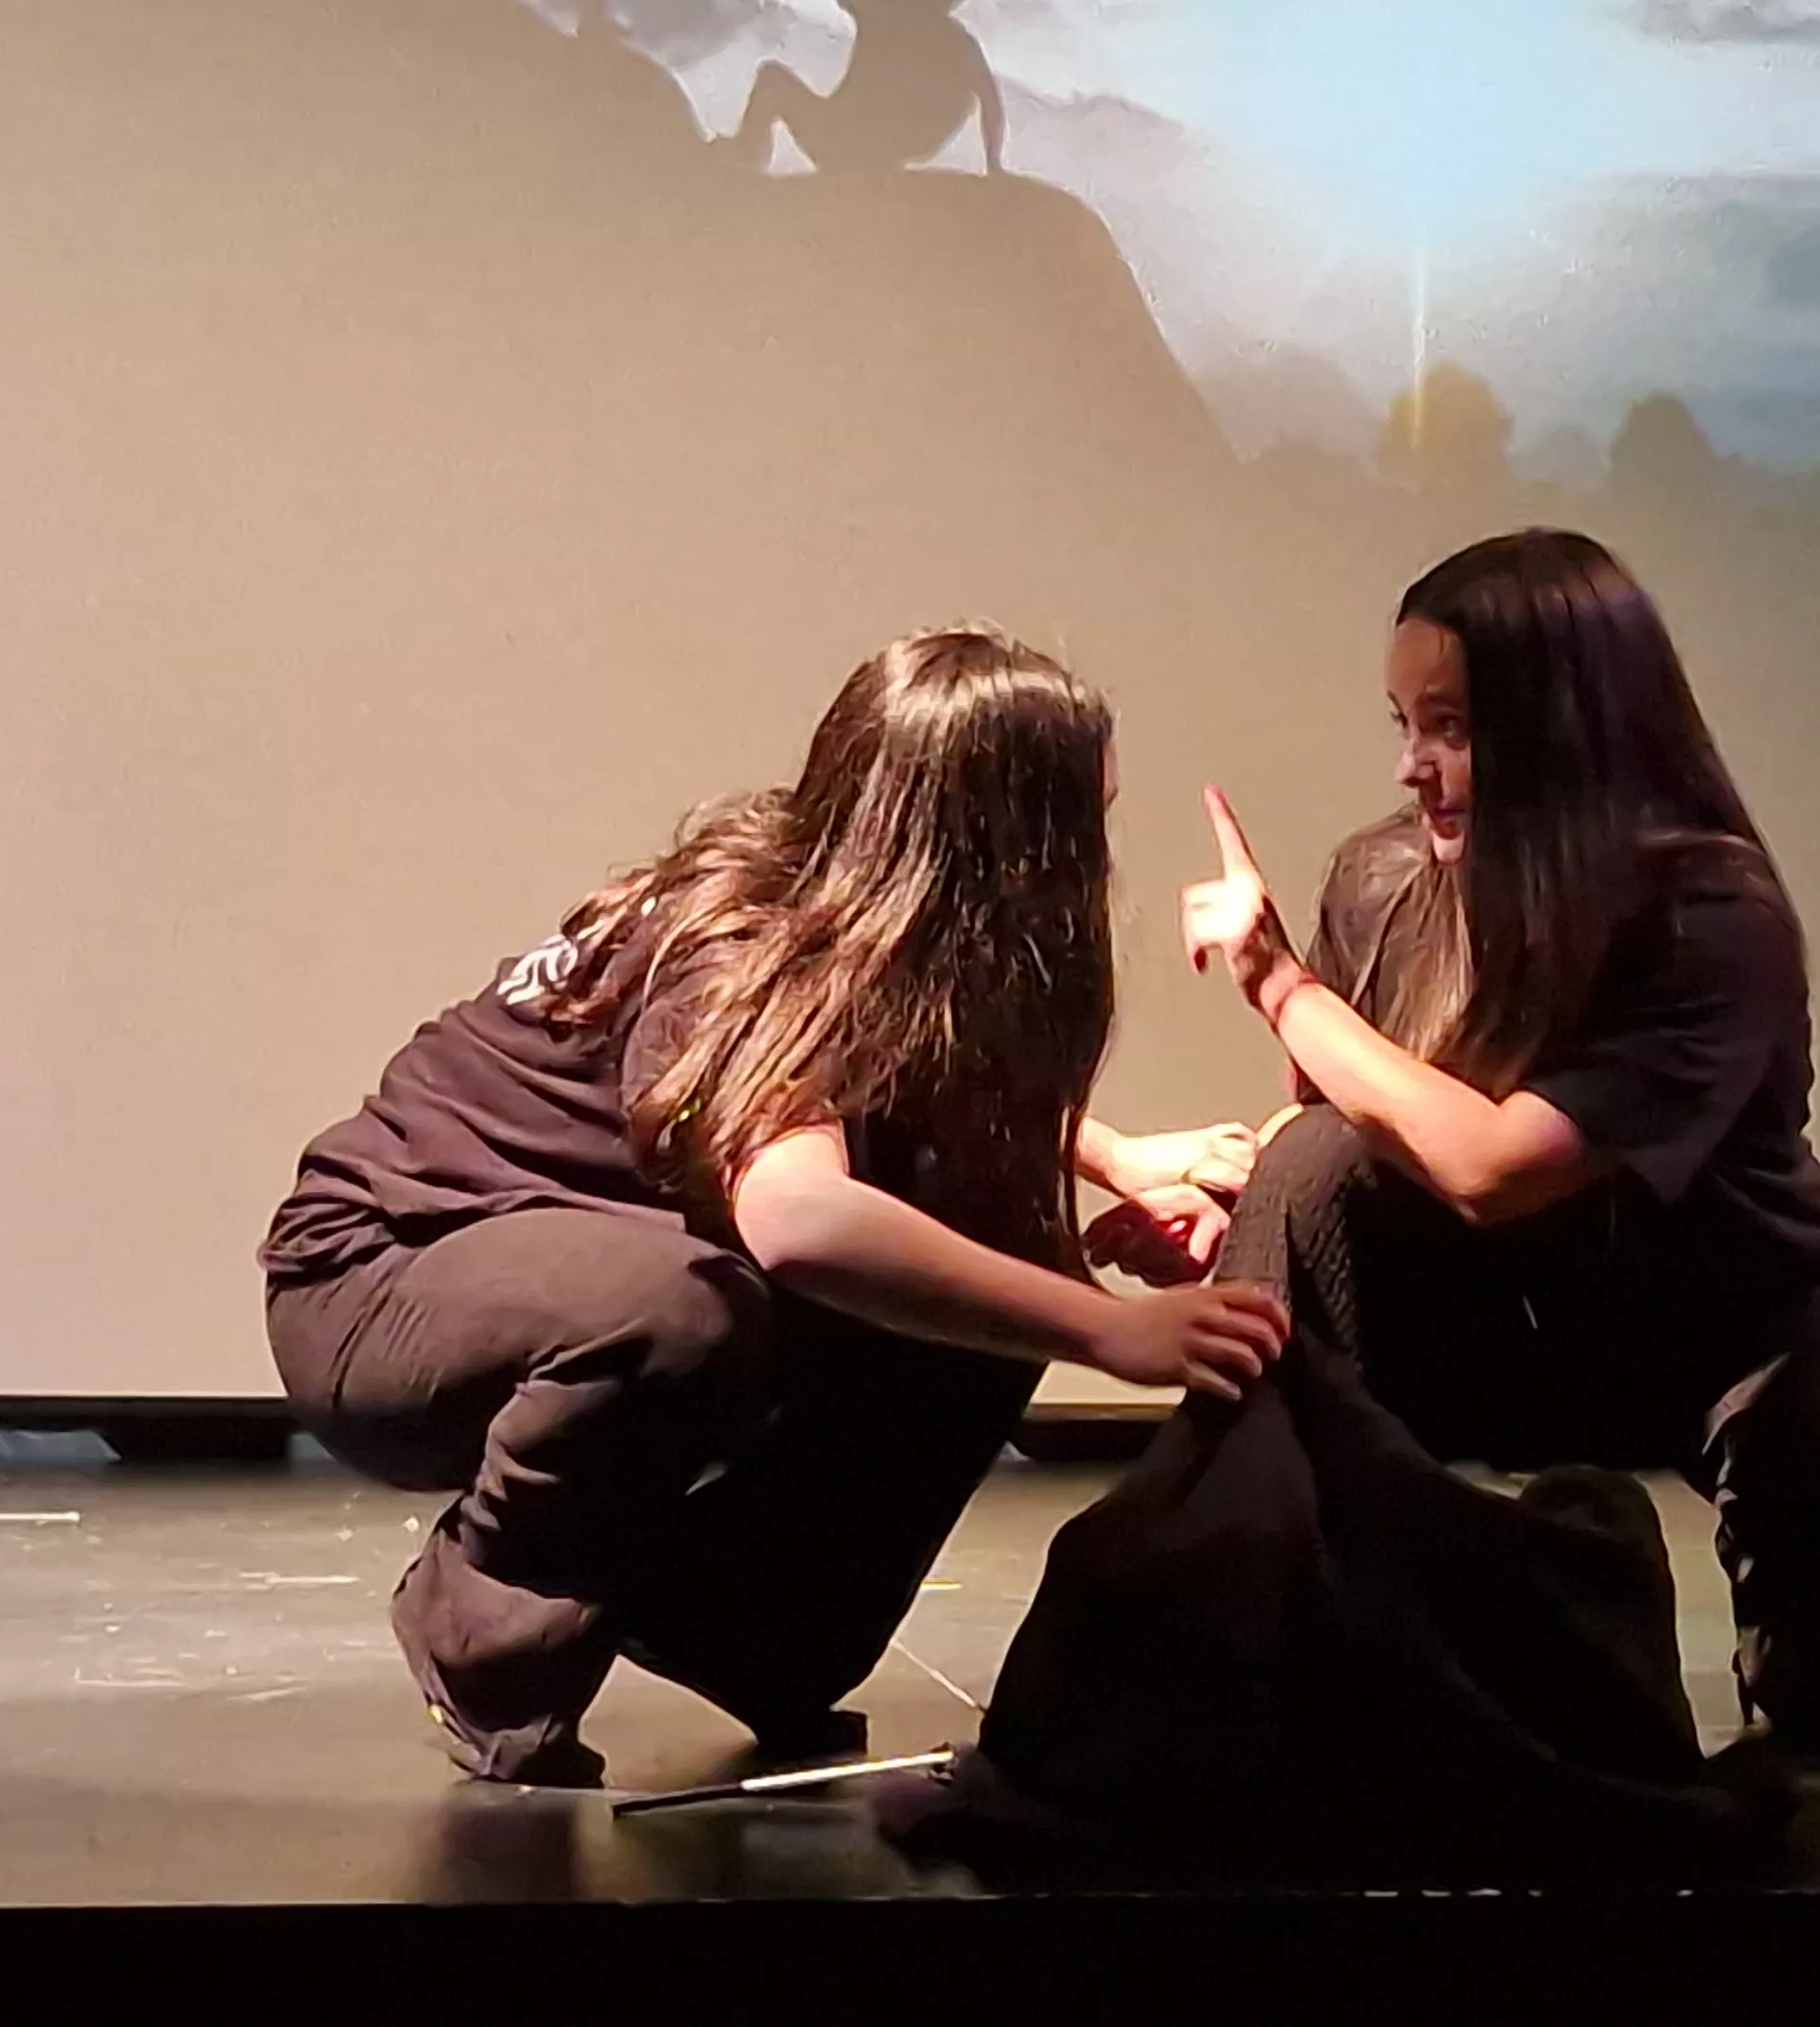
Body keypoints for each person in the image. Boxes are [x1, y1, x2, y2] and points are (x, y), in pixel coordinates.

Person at [260, 628, 1287, 1786]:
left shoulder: (854, 921)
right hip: (382, 1275)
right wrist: (1102, 1328)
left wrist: (1111, 1161)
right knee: (684, 1309)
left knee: (988, 1265)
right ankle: (485, 1621)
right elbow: (799, 1215)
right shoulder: (743, 938)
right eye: (1080, 823)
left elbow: (885, 1084)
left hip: (556, 1259)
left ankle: (746, 1628)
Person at [1173, 529, 1820, 1759]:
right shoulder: (1382, 879)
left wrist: (1277, 979)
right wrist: (1218, 1200)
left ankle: (1804, 1651)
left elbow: (1495, 1164)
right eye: (1401, 722)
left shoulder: (1706, 911)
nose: (1413, 767)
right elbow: (1344, 1119)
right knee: (1304, 1170)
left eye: (1449, 726)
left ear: (1562, 720)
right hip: (1492, 1312)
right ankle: (1250, 1640)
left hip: (1709, 1309)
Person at [727, 0, 1008, 178]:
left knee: (772, 80)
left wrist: (994, 163)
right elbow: (990, 102)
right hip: (862, 143)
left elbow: (990, 102)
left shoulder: (891, 19)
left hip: (845, 141)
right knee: (773, 80)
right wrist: (993, 163)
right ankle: (746, 158)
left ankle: (746, 156)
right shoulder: (953, 40)